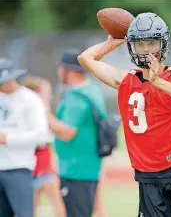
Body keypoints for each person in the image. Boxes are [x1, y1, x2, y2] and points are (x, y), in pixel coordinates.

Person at [78, 12, 171, 217]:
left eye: (152, 43)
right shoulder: (125, 79)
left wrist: (159, 82)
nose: (146, 50)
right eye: (140, 44)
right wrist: (113, 42)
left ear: (163, 45)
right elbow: (85, 58)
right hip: (150, 173)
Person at [48, 50, 107, 217]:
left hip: (76, 169)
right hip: (87, 167)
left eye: (61, 68)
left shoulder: (77, 98)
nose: (59, 72)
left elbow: (67, 133)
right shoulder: (91, 90)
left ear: (70, 70)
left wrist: (43, 112)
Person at [0, 58, 49, 217]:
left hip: (19, 167)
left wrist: (8, 139)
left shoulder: (30, 100)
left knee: (24, 213)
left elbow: (41, 136)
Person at [22, 76, 66, 217]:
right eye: (47, 93)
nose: (50, 96)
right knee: (30, 208)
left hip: (45, 169)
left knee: (58, 204)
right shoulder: (29, 113)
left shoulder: (44, 112)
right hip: (30, 169)